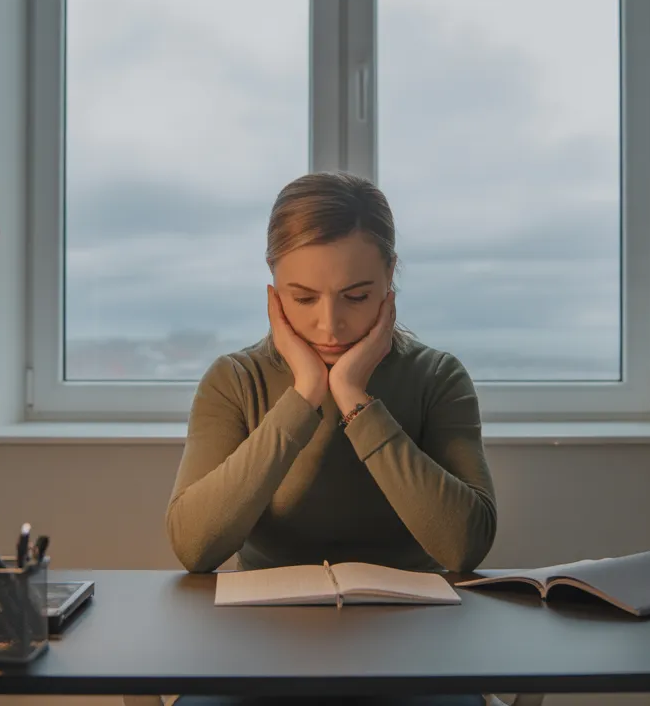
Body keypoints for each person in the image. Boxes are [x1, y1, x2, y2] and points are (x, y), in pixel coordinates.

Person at [151, 172, 519, 706]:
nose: (330, 326)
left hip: (416, 642)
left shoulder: (438, 378)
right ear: (274, 287)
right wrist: (303, 397)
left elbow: (465, 545)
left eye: (356, 295)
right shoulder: (235, 381)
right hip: (261, 643)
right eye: (303, 298)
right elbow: (195, 548)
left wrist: (352, 396)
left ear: (390, 277)